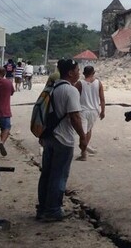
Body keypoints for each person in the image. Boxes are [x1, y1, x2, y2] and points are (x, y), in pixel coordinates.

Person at [36, 59, 87, 222]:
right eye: (78, 70)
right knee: (59, 175)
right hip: (63, 139)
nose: (79, 73)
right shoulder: (70, 90)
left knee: (47, 174)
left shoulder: (52, 87)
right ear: (70, 72)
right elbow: (75, 117)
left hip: (48, 136)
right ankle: (53, 210)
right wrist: (83, 137)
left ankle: (42, 208)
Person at [75, 66, 106, 161]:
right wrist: (103, 111)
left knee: (82, 133)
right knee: (88, 130)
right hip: (94, 110)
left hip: (83, 110)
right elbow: (102, 99)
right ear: (94, 72)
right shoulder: (98, 83)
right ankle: (84, 149)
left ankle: (84, 152)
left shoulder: (80, 84)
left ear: (84, 73)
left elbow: (74, 96)